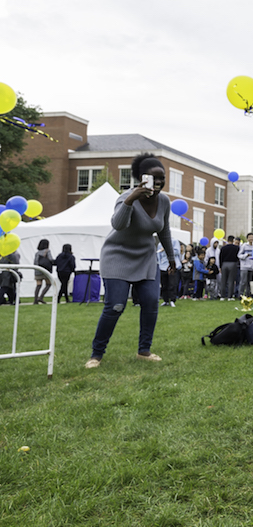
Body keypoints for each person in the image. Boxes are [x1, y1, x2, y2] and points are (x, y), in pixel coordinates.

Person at [86, 153, 176, 368]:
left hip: (146, 258)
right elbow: (118, 225)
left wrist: (171, 258)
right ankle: (96, 355)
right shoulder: (126, 197)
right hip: (117, 256)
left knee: (151, 303)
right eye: (155, 178)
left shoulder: (163, 201)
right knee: (115, 306)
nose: (160, 182)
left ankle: (144, 351)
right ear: (142, 178)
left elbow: (164, 231)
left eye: (162, 177)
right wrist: (130, 199)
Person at [157, 238, 181, 307]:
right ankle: (166, 300)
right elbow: (159, 254)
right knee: (164, 285)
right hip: (163, 266)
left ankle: (172, 300)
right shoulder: (160, 244)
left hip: (172, 266)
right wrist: (160, 263)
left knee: (172, 284)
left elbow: (177, 252)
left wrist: (166, 249)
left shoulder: (174, 241)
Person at [218, 235, 240, 300]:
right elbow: (237, 257)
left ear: (227, 240)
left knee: (223, 280)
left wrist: (220, 266)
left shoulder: (223, 248)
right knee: (231, 281)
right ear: (233, 240)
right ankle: (229, 296)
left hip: (224, 264)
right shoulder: (236, 248)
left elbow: (220, 257)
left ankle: (222, 296)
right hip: (233, 263)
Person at [33, 239, 55, 304]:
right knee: (48, 284)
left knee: (38, 285)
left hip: (37, 270)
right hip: (45, 270)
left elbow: (35, 262)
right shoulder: (47, 251)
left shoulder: (37, 253)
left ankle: (35, 300)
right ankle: (41, 297)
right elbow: (50, 259)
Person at [238, 233, 253, 297]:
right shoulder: (244, 246)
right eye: (249, 237)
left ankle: (248, 294)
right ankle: (240, 294)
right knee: (243, 281)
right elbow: (239, 255)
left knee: (249, 282)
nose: (251, 238)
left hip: (251, 267)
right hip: (244, 266)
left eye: (252, 237)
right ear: (247, 238)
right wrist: (246, 255)